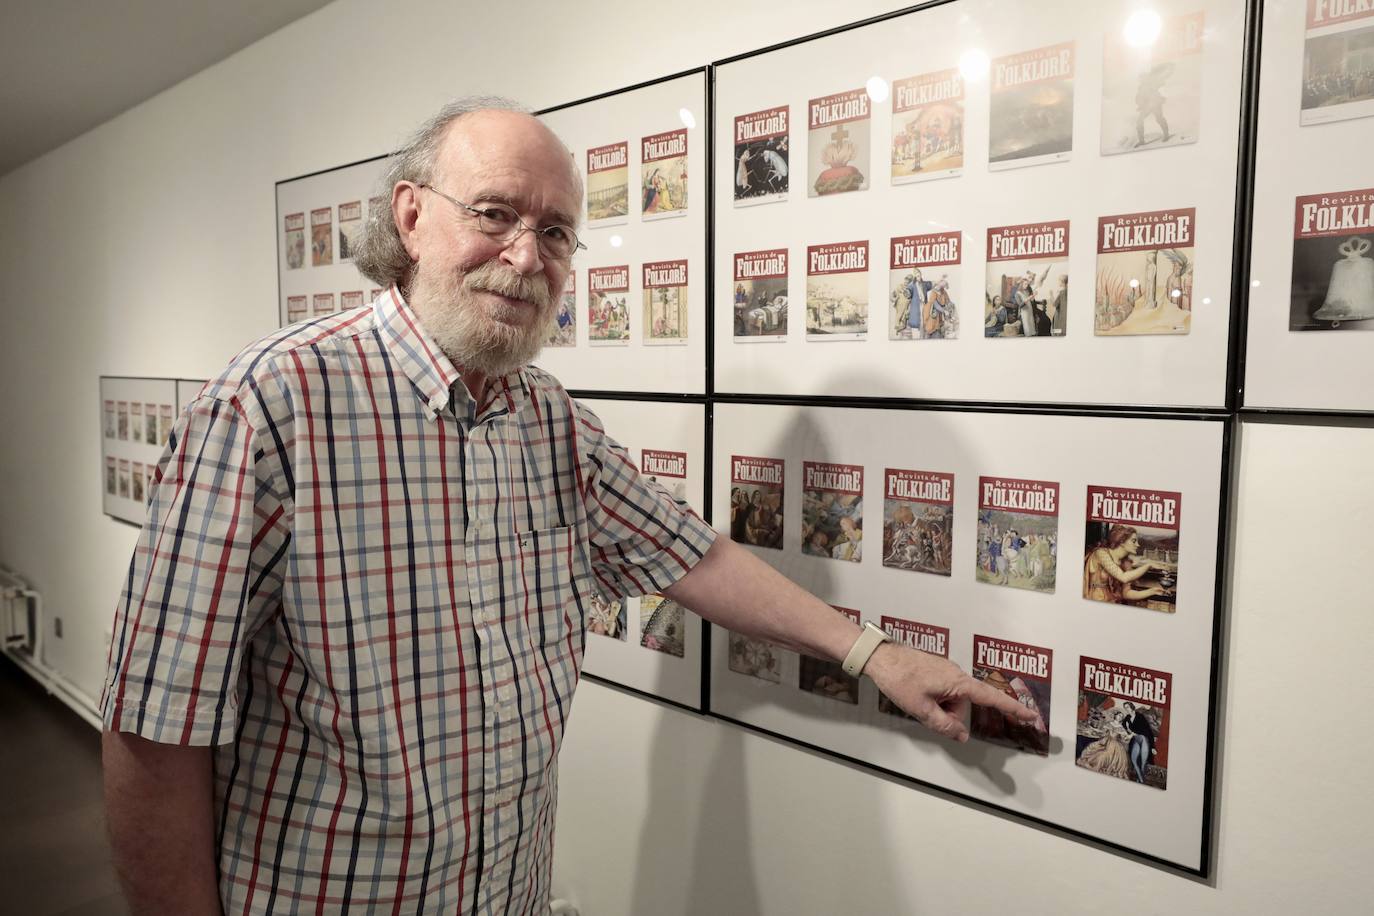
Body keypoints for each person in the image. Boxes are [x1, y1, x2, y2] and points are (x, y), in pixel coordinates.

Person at [100, 97, 1035, 915]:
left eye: (555, 233)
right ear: (412, 216)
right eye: (496, 213)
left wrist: (878, 655)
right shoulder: (269, 407)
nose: (524, 255)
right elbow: (156, 728)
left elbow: (691, 556)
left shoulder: (547, 419)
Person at [1083, 525, 1165, 604]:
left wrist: (1152, 591)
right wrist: (1148, 565)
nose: (1138, 545)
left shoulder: (1126, 563)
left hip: (1112, 602)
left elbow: (1127, 594)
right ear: (1121, 541)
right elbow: (1123, 577)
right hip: (1094, 601)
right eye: (1134, 541)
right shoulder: (1101, 553)